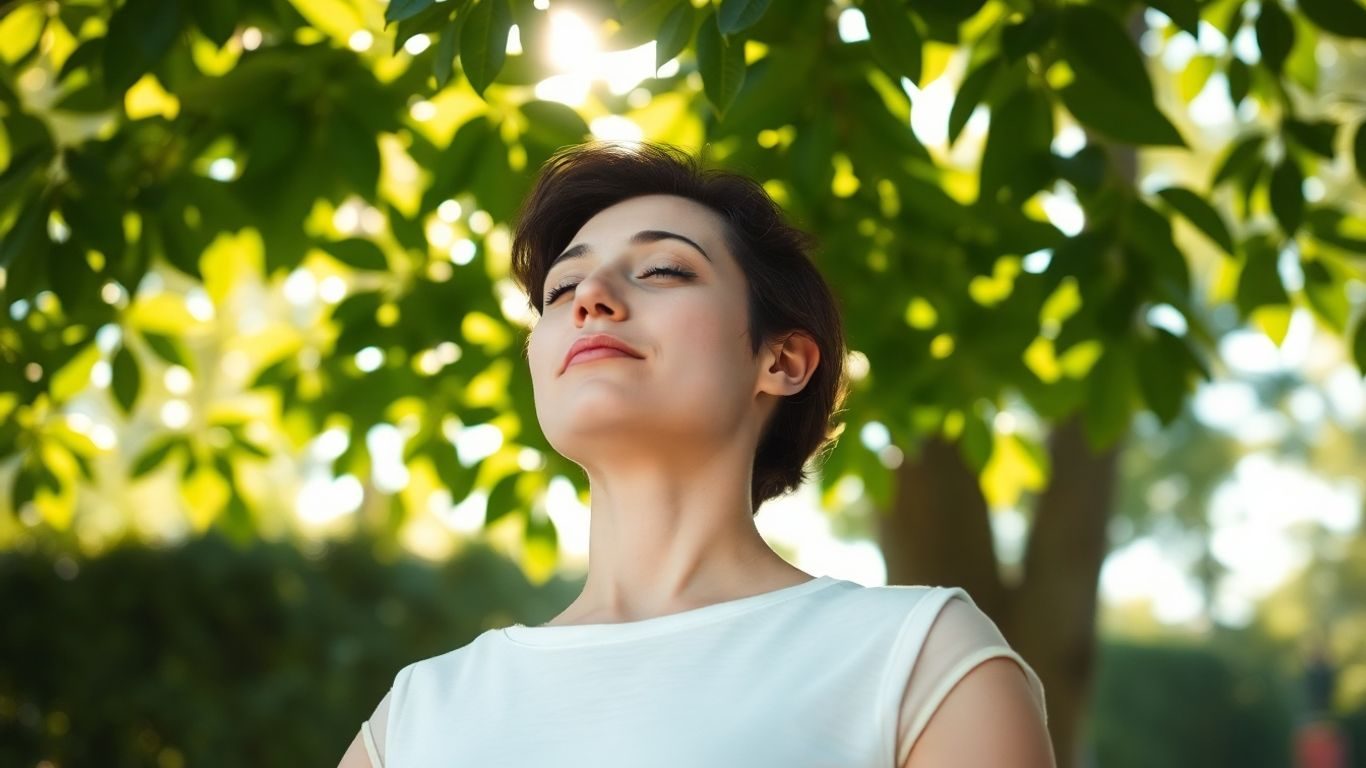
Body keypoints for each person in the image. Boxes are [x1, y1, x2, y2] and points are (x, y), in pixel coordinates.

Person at [337, 141, 1054, 767]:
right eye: (560, 288)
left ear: (782, 360)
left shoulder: (916, 660)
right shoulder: (415, 715)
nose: (590, 295)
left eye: (663, 270)